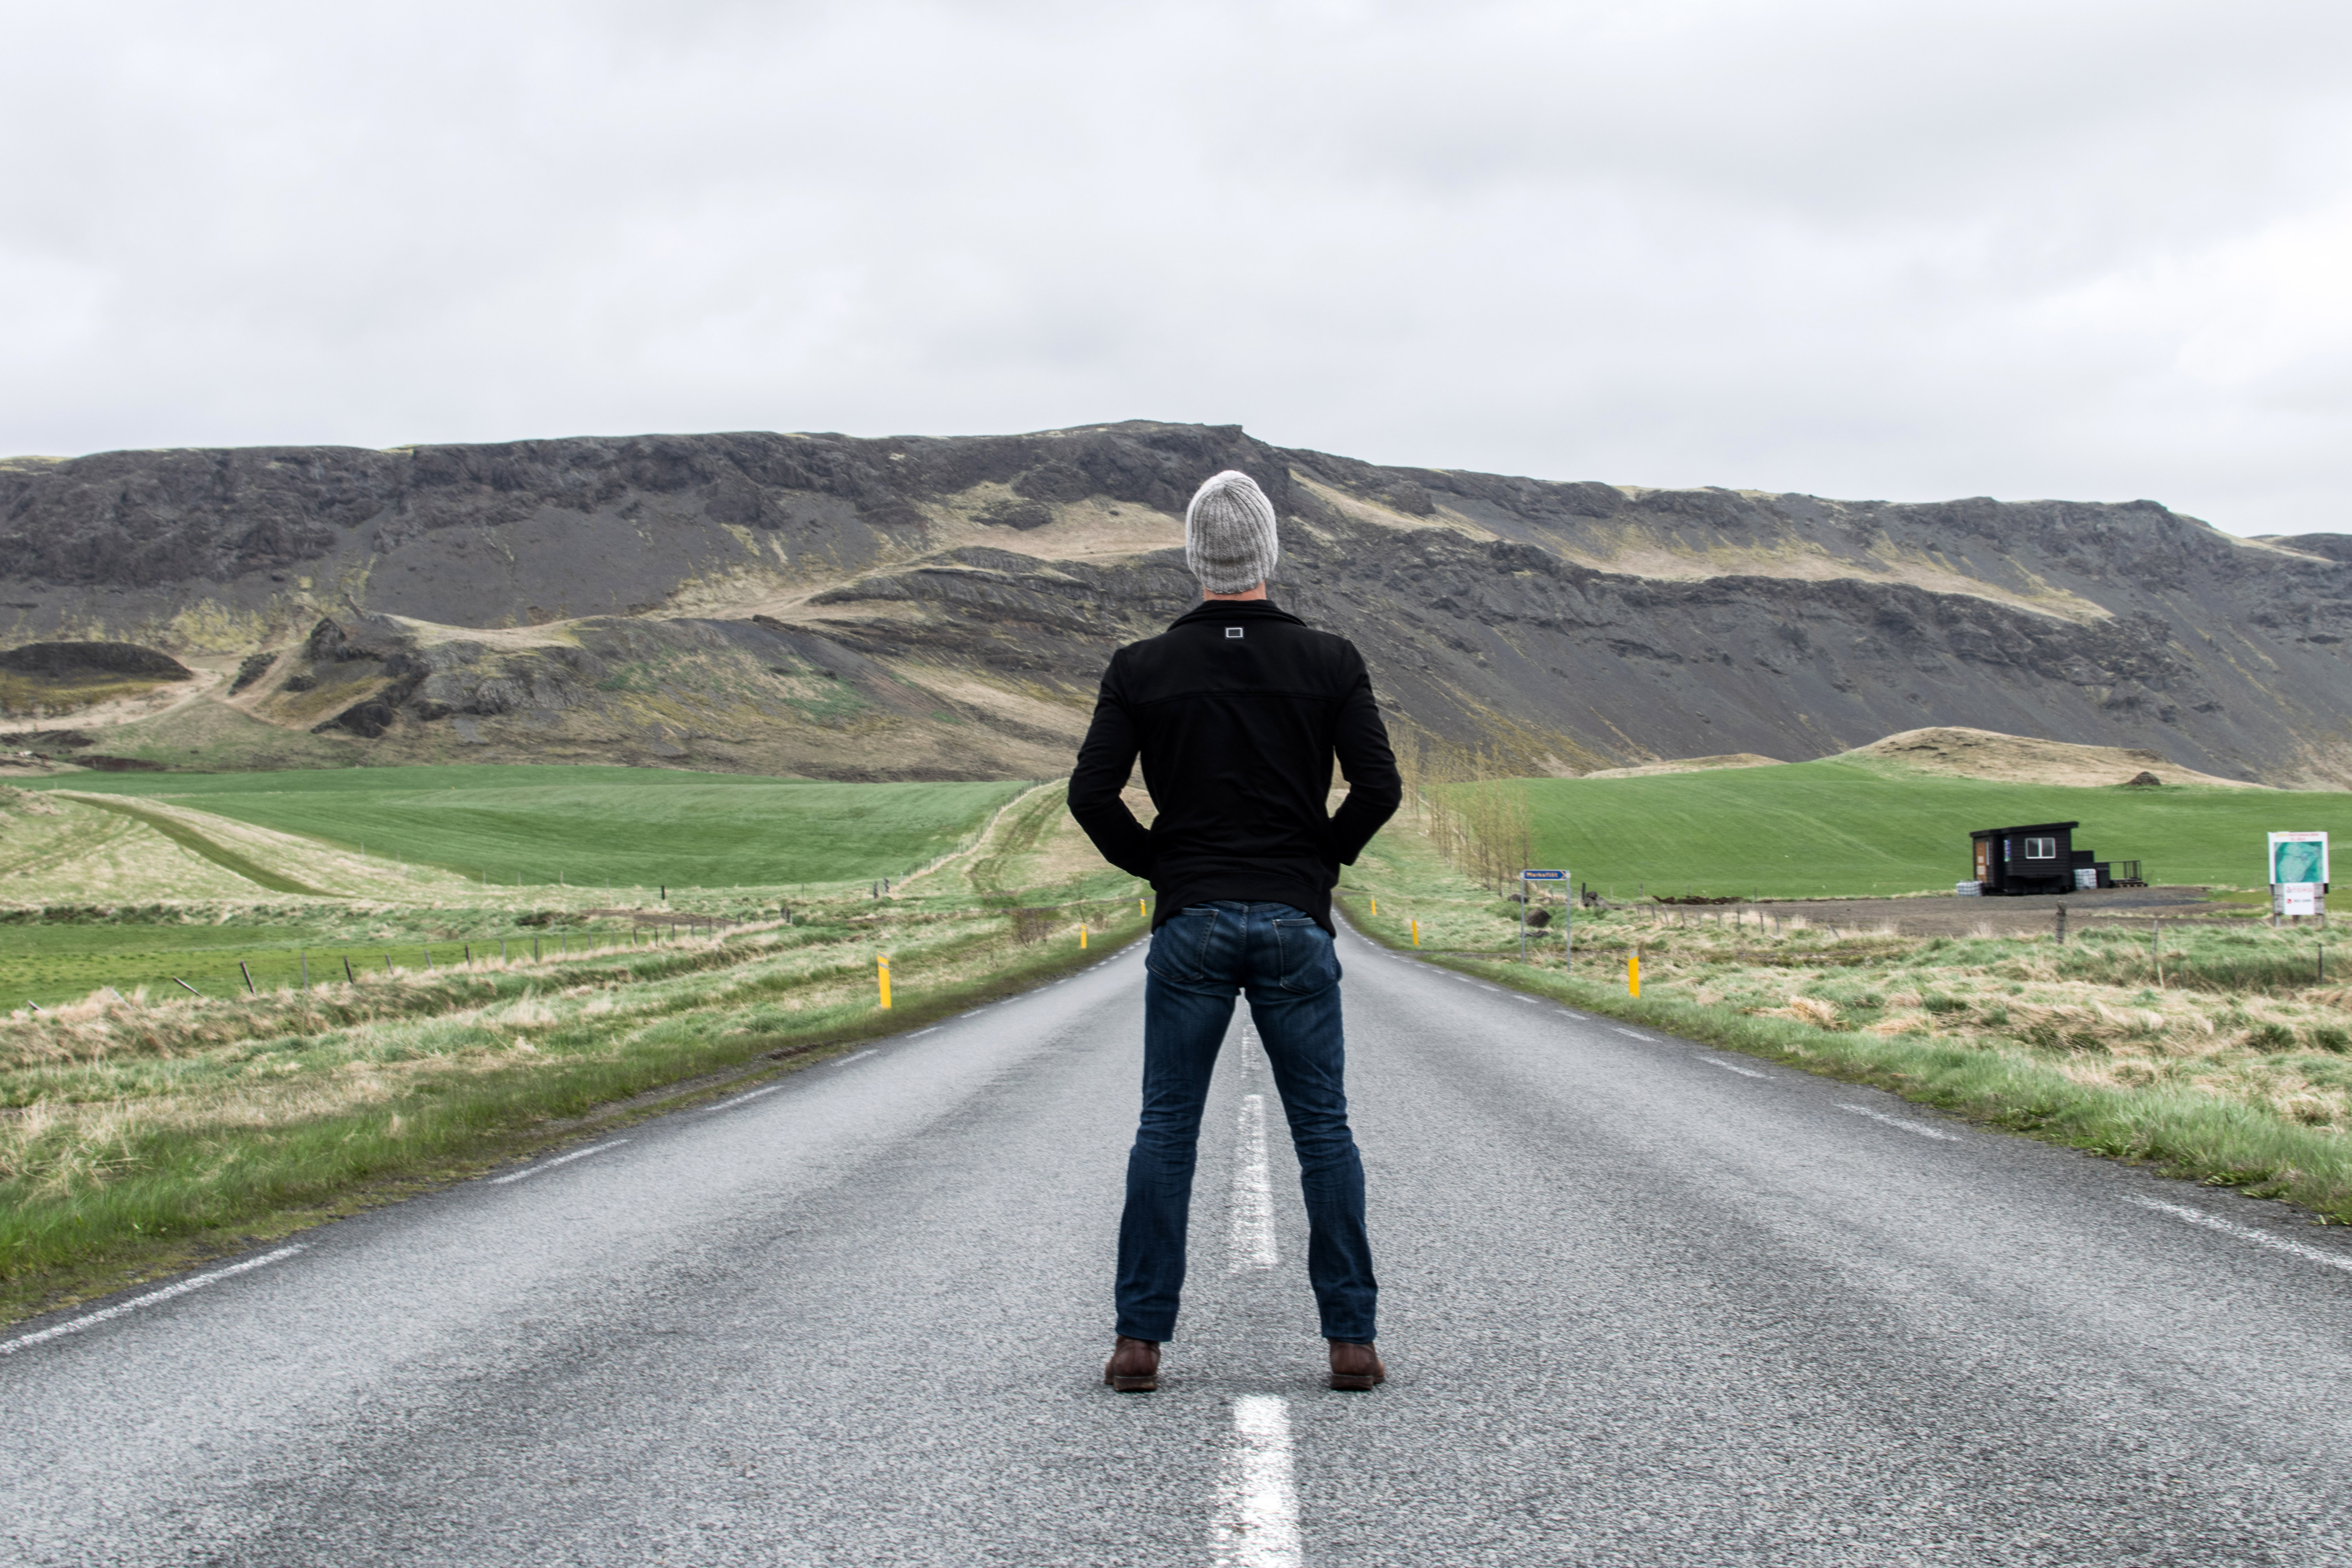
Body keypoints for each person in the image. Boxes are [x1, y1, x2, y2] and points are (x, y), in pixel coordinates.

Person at [1067, 468, 1403, 1394]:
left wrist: (1165, 868)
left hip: (1192, 921)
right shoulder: (1331, 661)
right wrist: (1315, 865)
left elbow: (1090, 795)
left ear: (1194, 557)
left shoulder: (1141, 668)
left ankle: (1139, 1341)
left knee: (1167, 1127)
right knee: (1323, 1129)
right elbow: (1378, 787)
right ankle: (1351, 1341)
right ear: (1268, 552)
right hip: (1295, 919)